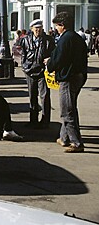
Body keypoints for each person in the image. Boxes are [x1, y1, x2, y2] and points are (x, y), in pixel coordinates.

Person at [45, 12, 88, 153]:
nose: (56, 29)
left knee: (67, 110)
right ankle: (64, 138)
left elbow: (59, 59)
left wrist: (49, 63)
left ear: (62, 25)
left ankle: (76, 143)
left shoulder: (65, 39)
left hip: (68, 78)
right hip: (78, 76)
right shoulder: (77, 37)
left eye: (57, 26)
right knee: (70, 107)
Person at [19, 19, 56, 129]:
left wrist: (50, 60)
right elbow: (22, 55)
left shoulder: (48, 40)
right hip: (30, 71)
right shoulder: (25, 40)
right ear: (32, 29)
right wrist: (25, 67)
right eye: (36, 29)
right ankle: (33, 120)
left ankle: (45, 122)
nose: (38, 31)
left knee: (44, 97)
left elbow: (54, 53)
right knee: (32, 97)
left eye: (39, 29)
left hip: (43, 72)